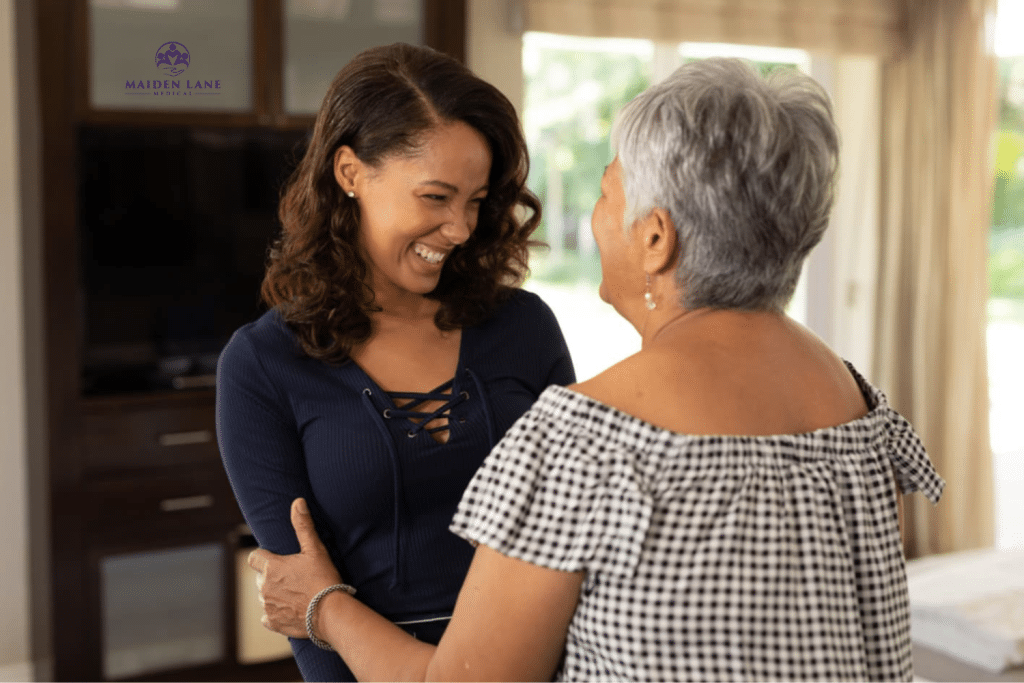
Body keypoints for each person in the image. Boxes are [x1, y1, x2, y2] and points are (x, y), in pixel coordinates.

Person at [248, 57, 945, 682]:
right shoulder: (860, 409)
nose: (596, 214)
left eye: (608, 191)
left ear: (654, 237)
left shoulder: (582, 441)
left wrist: (322, 607)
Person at [216, 43, 575, 682]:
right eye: (436, 196)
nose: (461, 228)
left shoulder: (525, 327)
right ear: (350, 173)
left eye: (475, 200)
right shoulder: (263, 364)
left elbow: (570, 546)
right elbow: (301, 603)